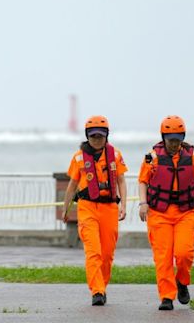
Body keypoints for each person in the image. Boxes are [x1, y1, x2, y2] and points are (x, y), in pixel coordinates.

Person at [138, 115, 194, 311]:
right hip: (159, 213)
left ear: (182, 137)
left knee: (184, 253)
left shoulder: (192, 157)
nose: (174, 143)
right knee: (163, 256)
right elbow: (143, 181)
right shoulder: (152, 157)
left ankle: (182, 282)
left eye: (177, 139)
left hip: (185, 213)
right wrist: (143, 203)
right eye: (170, 140)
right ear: (163, 138)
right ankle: (166, 297)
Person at [62, 115, 128, 306]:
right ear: (87, 136)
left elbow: (121, 181)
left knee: (107, 254)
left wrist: (124, 205)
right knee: (93, 252)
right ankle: (97, 291)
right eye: (93, 136)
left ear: (106, 135)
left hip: (109, 209)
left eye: (100, 136)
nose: (97, 139)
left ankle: (102, 286)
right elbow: (72, 184)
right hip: (87, 208)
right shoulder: (78, 158)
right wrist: (65, 208)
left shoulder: (115, 155)